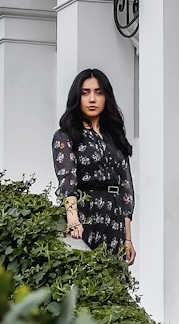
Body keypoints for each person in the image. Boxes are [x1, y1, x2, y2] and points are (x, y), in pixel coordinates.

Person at [52, 68, 136, 264]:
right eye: (85, 93)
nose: (92, 99)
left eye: (98, 92)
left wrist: (128, 238)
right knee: (86, 280)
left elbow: (126, 189)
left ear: (106, 97)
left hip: (114, 219)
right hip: (84, 215)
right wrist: (73, 220)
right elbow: (67, 179)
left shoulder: (114, 137)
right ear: (77, 97)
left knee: (114, 283)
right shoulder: (65, 135)